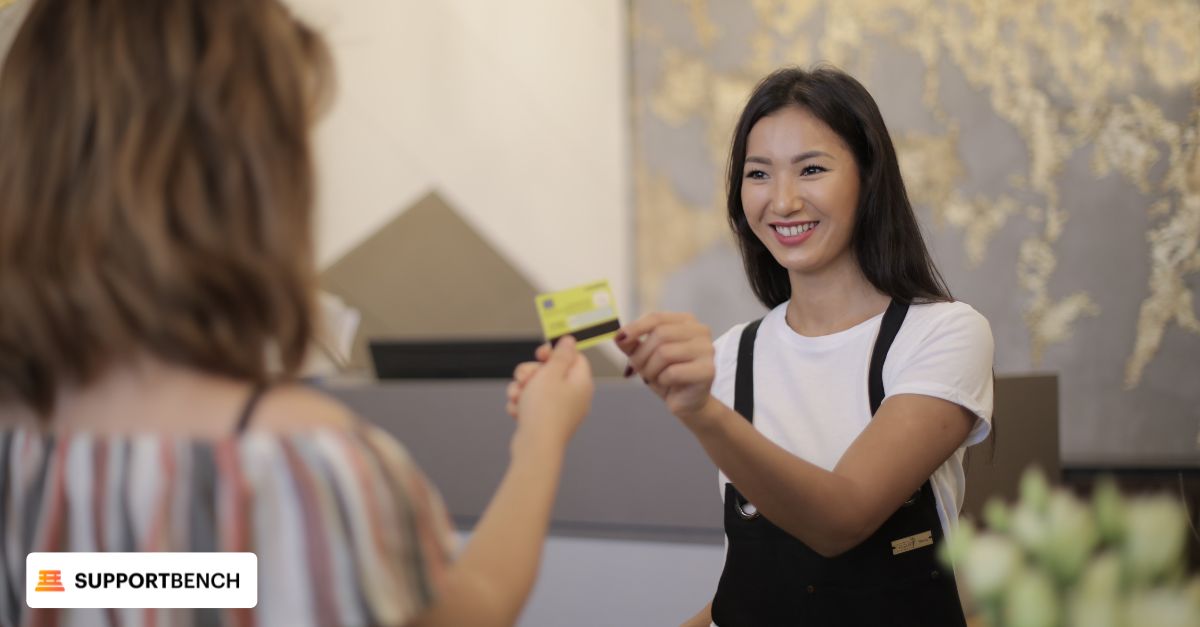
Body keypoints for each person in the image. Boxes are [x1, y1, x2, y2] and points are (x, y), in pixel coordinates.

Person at [0, 1, 592, 626]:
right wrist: (541, 438)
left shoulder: (22, 450)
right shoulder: (304, 468)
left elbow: (138, 581)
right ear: (252, 175)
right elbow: (475, 608)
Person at [617, 67, 994, 626]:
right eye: (758, 174)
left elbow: (841, 521)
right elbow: (756, 588)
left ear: (869, 177)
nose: (783, 200)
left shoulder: (943, 334)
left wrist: (702, 414)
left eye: (811, 169)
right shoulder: (732, 357)